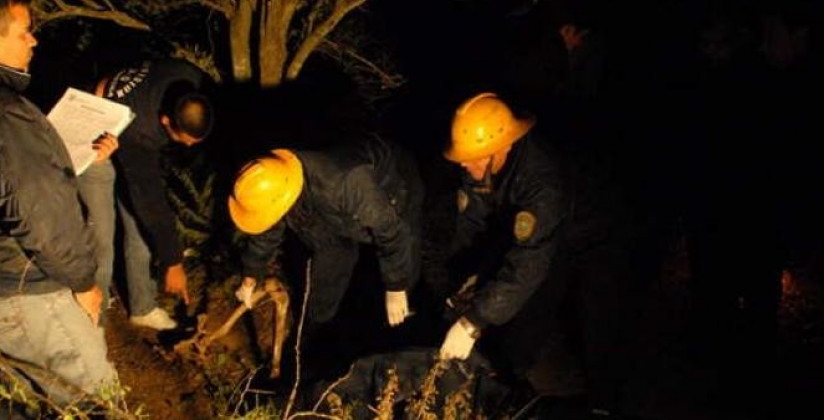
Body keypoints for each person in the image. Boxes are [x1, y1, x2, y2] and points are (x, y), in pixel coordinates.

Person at [0, 0, 119, 408]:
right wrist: (84, 282)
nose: (33, 40)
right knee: (96, 399)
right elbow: (41, 217)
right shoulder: (10, 115)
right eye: (22, 31)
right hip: (27, 289)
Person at [437, 92, 576, 396]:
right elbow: (471, 229)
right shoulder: (479, 166)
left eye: (470, 160)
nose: (463, 166)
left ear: (500, 149)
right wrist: (460, 284)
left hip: (583, 234)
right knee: (489, 294)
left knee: (533, 315)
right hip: (520, 230)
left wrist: (473, 321)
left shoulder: (543, 181)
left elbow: (530, 263)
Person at [228, 133, 424, 330]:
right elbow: (268, 226)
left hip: (394, 189)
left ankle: (401, 325)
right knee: (334, 250)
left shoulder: (348, 182)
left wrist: (396, 287)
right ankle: (316, 323)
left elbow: (392, 230)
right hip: (332, 201)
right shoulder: (277, 177)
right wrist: (250, 275)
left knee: (403, 260)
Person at [77, 58, 215, 330]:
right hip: (95, 138)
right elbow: (149, 200)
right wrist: (173, 262)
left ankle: (142, 307)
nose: (187, 146)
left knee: (140, 229)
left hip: (127, 126)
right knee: (102, 238)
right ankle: (92, 323)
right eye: (182, 139)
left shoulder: (190, 78)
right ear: (165, 121)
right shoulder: (141, 131)